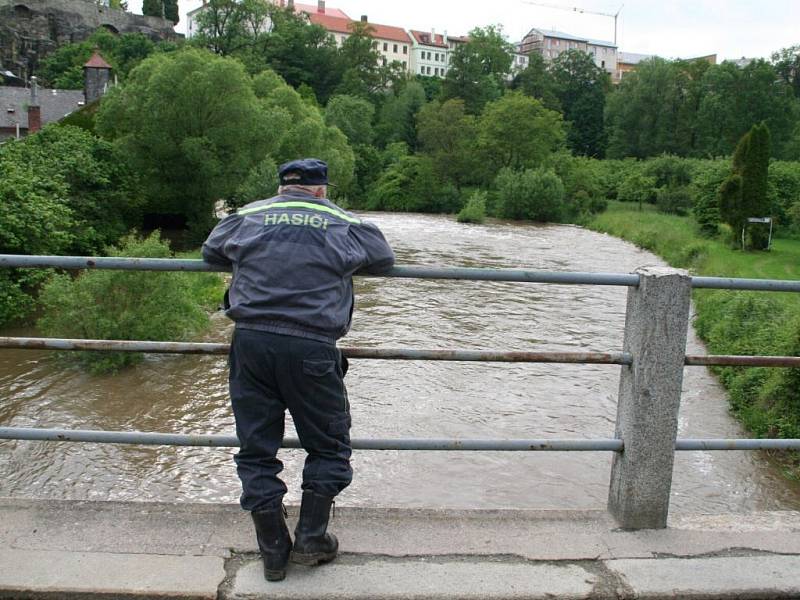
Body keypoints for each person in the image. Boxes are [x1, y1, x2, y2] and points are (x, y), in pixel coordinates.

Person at [201, 158, 395, 581]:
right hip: (311, 345)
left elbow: (211, 250)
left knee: (256, 447)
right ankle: (310, 538)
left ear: (281, 187)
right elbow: (382, 258)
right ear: (321, 188)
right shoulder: (340, 219)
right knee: (328, 445)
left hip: (250, 342)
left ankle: (272, 550)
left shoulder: (249, 214)